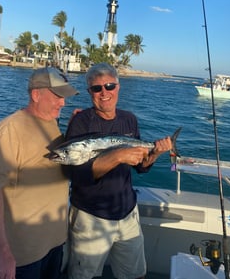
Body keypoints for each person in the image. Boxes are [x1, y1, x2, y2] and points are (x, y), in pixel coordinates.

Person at [64, 62, 172, 279]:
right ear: (90, 92)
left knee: (136, 275)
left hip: (127, 214)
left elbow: (141, 167)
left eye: (109, 86)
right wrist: (117, 155)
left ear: (118, 87)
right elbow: (76, 175)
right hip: (90, 217)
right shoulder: (80, 122)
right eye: (97, 88)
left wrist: (155, 154)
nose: (104, 92)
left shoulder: (129, 119)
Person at [0, 67, 78, 279]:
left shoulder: (52, 124)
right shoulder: (9, 130)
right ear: (36, 95)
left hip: (55, 243)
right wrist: (1, 253)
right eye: (57, 96)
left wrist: (72, 132)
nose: (63, 103)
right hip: (24, 255)